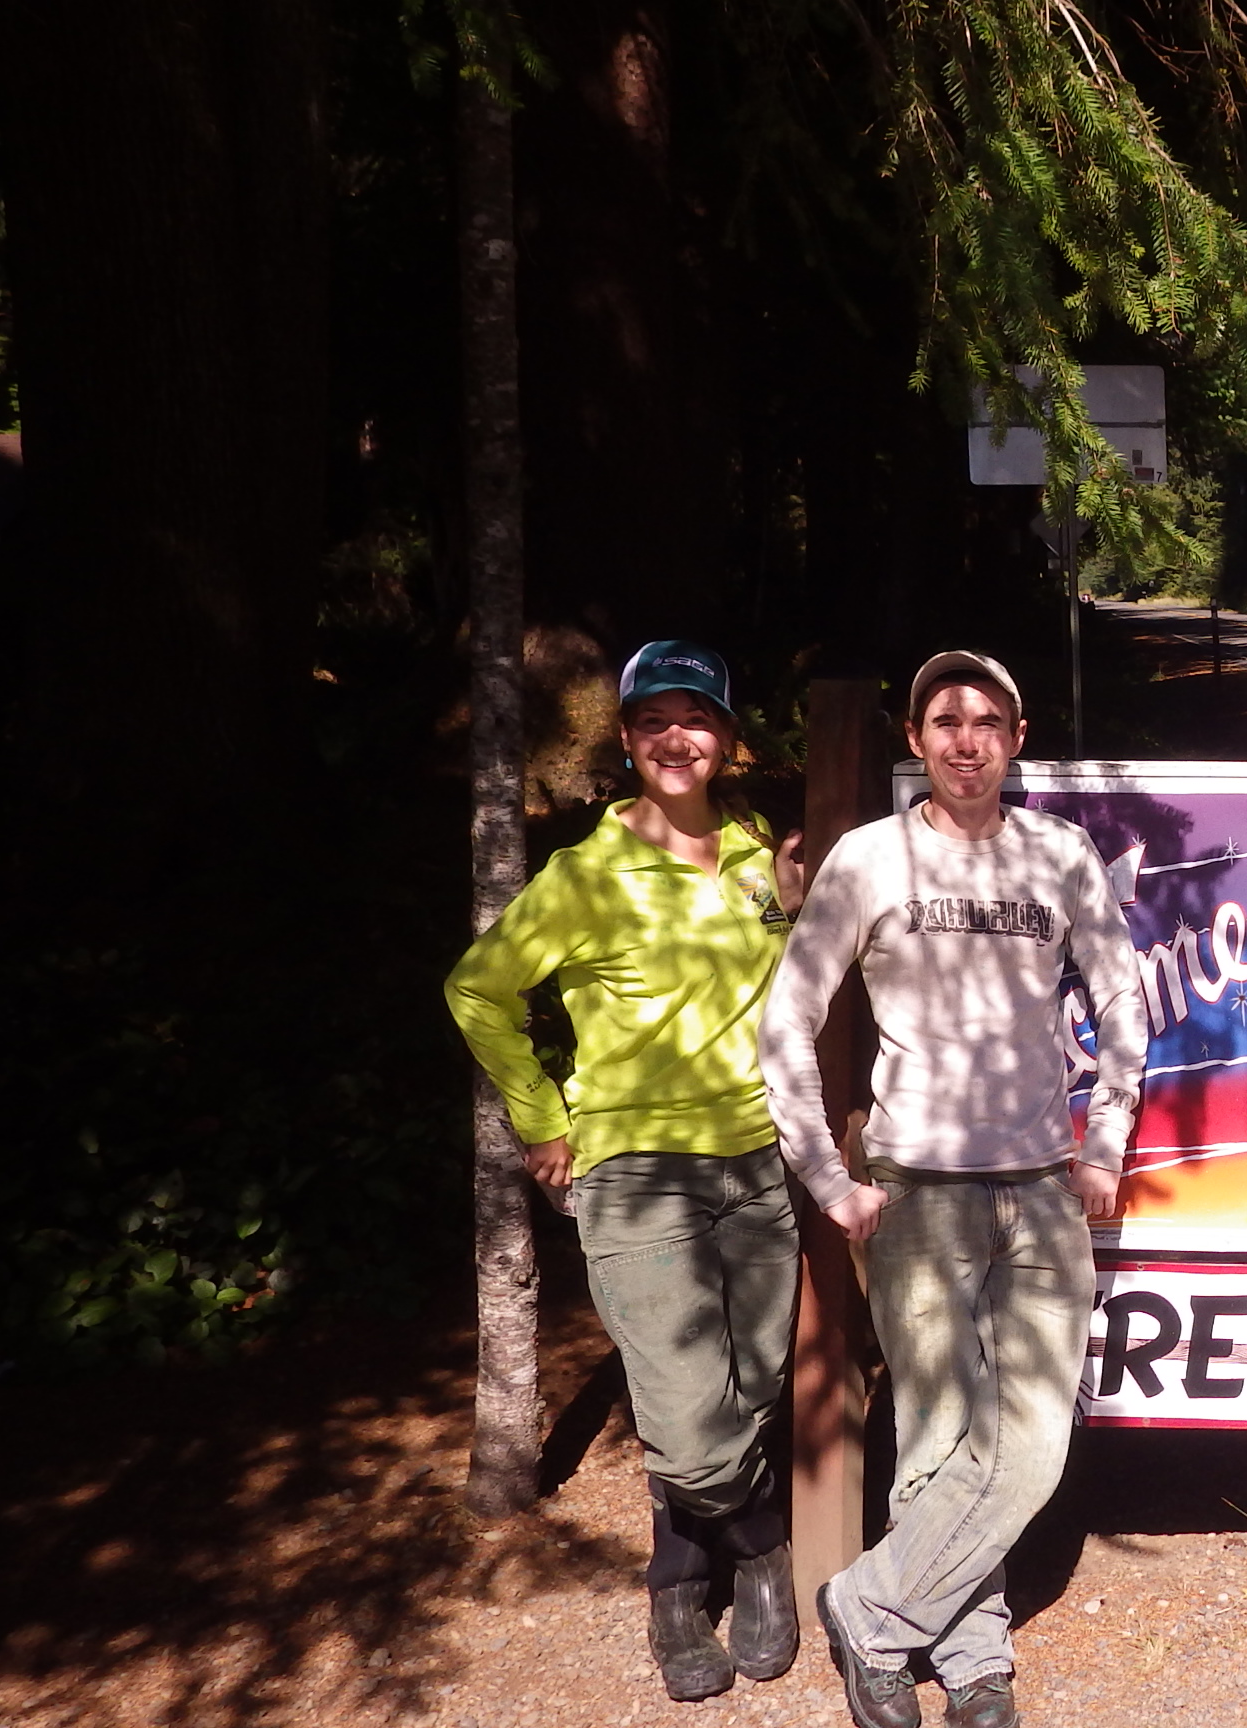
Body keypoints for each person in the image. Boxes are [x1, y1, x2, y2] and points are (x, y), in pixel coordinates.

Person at [761, 650, 1147, 1728]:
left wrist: (1104, 1141)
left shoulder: (1061, 856)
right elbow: (788, 1018)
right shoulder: (868, 860)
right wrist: (828, 1179)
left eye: (987, 719)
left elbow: (1125, 1004)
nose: (966, 738)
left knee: (1032, 1439)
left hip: (1041, 1185)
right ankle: (974, 1660)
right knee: (935, 1437)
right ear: (917, 742)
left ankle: (870, 1607)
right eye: (944, 720)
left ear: (1016, 740)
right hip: (919, 1190)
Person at [443, 641, 808, 1702]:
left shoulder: (751, 853)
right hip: (637, 1171)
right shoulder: (585, 876)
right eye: (654, 720)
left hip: (756, 1160)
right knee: (695, 1428)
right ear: (627, 739)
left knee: (752, 1387)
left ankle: (686, 1576)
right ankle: (749, 1551)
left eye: (696, 718)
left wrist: (786, 902)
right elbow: (477, 991)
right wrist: (541, 1115)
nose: (676, 738)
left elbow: (787, 993)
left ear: (729, 739)